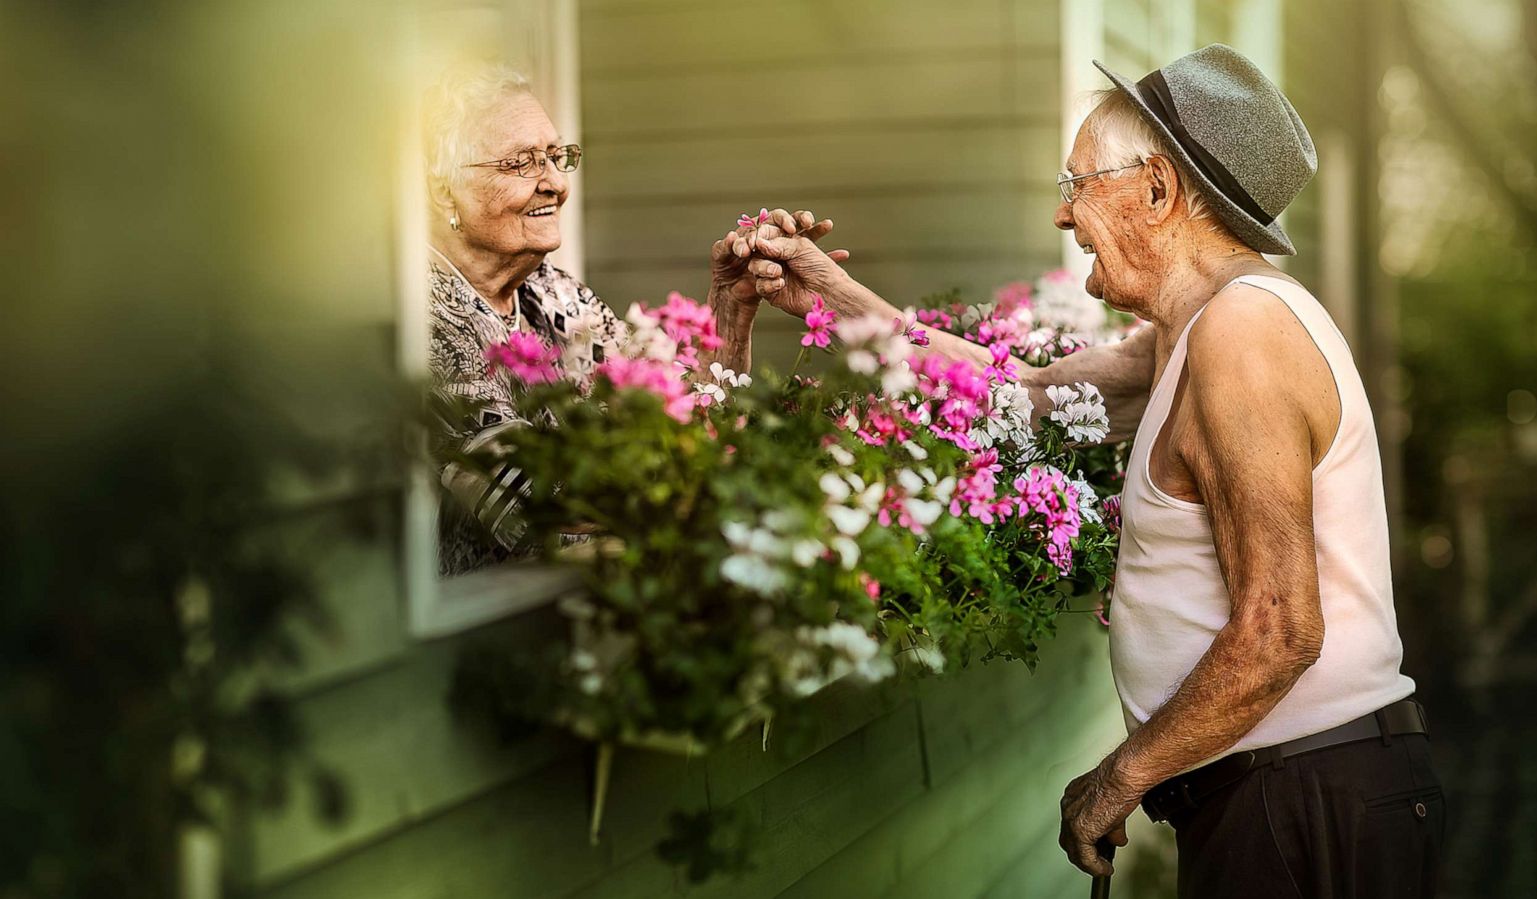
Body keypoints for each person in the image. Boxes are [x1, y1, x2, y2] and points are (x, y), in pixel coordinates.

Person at [747, 44, 1442, 897]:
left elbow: (1279, 627)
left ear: (1157, 190)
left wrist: (1119, 775)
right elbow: (1015, 395)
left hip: (1302, 795)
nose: (1062, 217)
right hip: (1285, 790)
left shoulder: (1242, 337)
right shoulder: (1193, 335)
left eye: (1076, 184)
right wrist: (825, 295)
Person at [422, 65, 833, 573]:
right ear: (444, 193)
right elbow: (540, 495)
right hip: (498, 626)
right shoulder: (424, 319)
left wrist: (730, 308)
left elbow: (680, 418)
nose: (554, 183)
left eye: (555, 157)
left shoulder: (552, 291)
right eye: (520, 163)